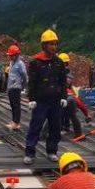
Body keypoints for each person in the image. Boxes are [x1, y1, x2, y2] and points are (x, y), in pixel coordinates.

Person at [23, 29, 68, 165]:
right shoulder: (36, 62)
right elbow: (32, 82)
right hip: (41, 102)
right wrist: (31, 99)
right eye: (50, 44)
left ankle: (52, 151)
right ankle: (30, 153)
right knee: (35, 127)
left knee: (55, 127)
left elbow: (62, 81)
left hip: (55, 101)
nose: (53, 47)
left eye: (55, 44)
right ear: (44, 45)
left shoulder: (59, 62)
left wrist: (64, 96)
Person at [5, 44, 27, 130]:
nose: (10, 56)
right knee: (12, 105)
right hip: (11, 87)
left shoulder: (20, 64)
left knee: (16, 105)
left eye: (11, 55)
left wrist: (24, 86)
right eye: (9, 55)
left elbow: (24, 76)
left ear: (16, 55)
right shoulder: (11, 63)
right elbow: (10, 75)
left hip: (16, 87)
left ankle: (16, 122)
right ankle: (14, 121)